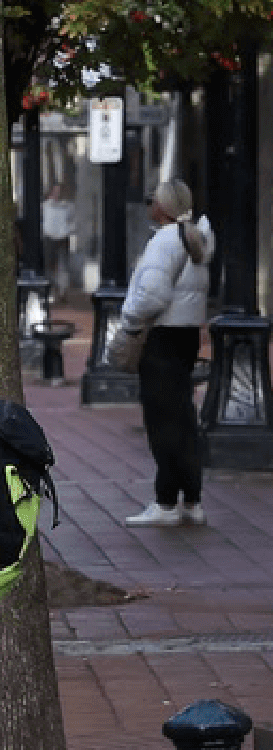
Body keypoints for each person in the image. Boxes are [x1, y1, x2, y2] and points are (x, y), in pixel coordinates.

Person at [116, 179, 214, 527]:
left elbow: (152, 296)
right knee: (184, 418)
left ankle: (166, 503)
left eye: (152, 200)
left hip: (160, 338)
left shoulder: (164, 242)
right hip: (186, 336)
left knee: (163, 423)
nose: (148, 206)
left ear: (164, 208)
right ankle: (192, 500)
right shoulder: (197, 238)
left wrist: (129, 320)